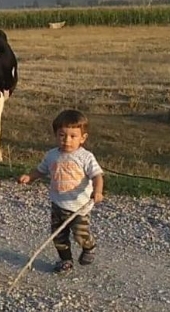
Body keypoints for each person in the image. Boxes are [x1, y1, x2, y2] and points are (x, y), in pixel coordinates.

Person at [18, 109, 105, 273]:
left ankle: (89, 246)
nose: (67, 140)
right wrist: (30, 177)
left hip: (79, 207)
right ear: (56, 135)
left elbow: (97, 176)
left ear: (83, 138)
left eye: (73, 136)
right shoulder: (52, 155)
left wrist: (98, 191)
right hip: (58, 204)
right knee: (58, 236)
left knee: (80, 234)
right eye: (62, 135)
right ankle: (65, 260)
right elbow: (41, 170)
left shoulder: (85, 157)